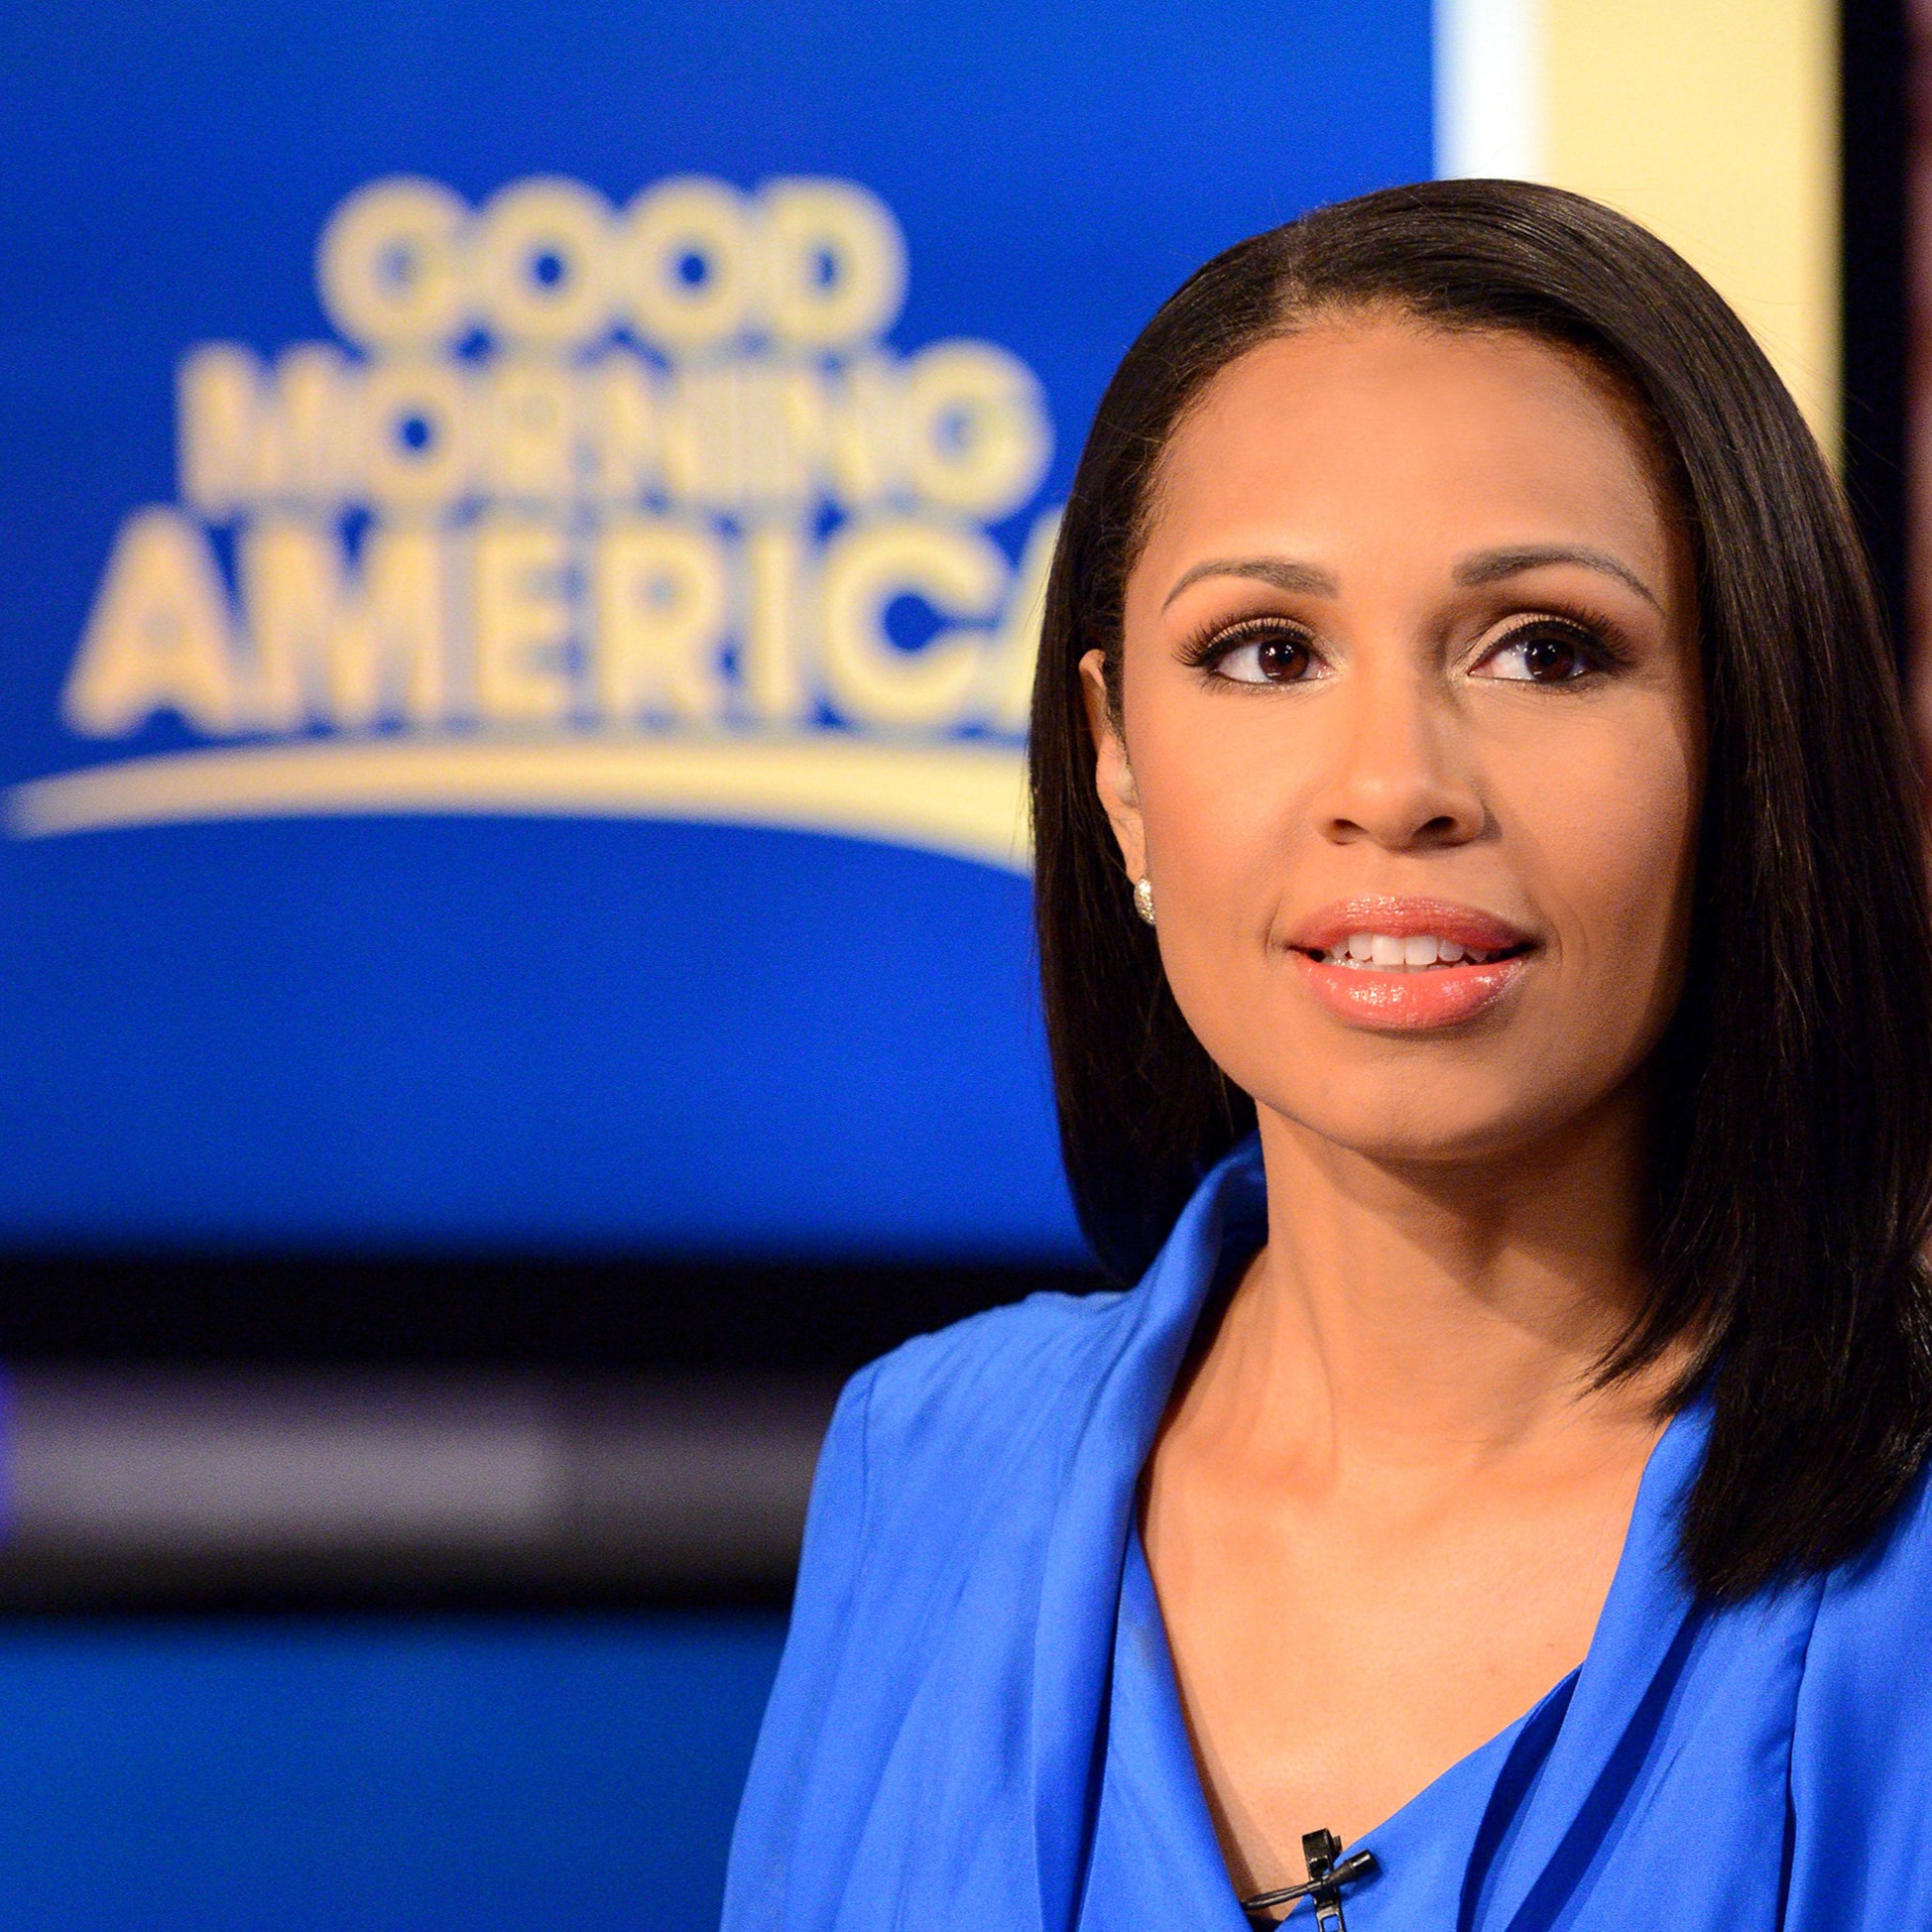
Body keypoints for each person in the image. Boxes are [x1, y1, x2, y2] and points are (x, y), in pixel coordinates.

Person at [721, 181, 1932, 1931]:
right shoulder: (925, 1458)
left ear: (1748, 737)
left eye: (1545, 651)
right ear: (1116, 762)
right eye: (1267, 652)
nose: (1395, 783)